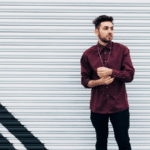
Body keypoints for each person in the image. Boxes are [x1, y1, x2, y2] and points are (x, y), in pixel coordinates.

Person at [80, 15, 135, 150]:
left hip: (120, 107)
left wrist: (111, 72)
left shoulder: (122, 50)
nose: (110, 31)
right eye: (105, 28)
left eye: (112, 28)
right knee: (101, 143)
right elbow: (84, 81)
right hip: (98, 107)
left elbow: (129, 75)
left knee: (123, 142)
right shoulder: (88, 54)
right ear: (96, 31)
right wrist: (100, 82)